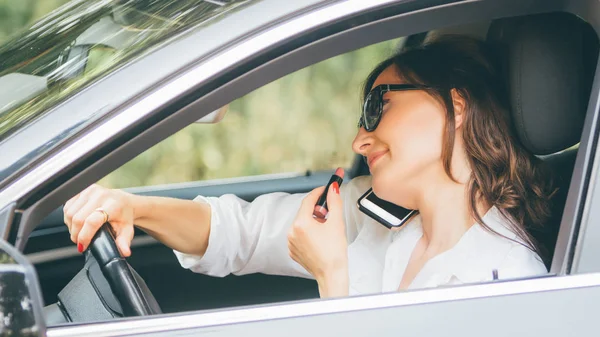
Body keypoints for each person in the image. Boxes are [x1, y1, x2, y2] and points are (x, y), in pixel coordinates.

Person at [63, 35, 554, 298]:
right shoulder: (372, 213)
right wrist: (133, 206)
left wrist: (331, 276)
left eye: (378, 105)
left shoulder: (507, 280)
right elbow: (243, 232)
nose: (361, 137)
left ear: (457, 106)